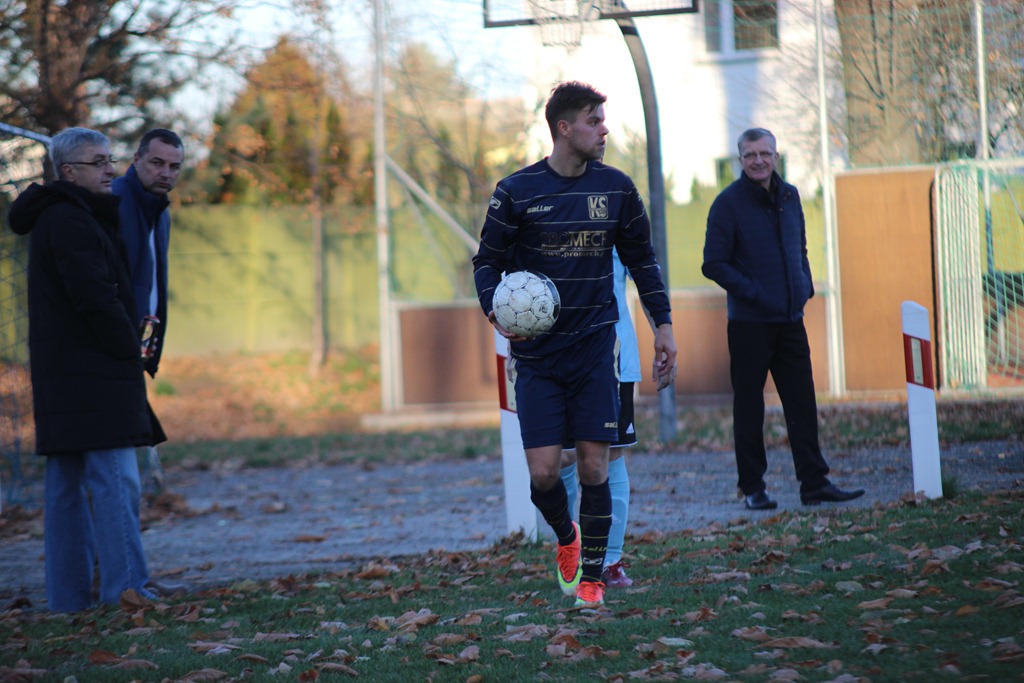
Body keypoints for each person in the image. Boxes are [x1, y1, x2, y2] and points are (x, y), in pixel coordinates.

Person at [473, 81, 677, 608]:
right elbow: (486, 262)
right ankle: (568, 538)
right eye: (594, 120)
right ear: (564, 128)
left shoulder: (617, 188)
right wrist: (495, 309)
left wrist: (663, 326)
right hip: (538, 358)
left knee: (594, 467)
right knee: (544, 473)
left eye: (602, 119)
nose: (604, 129)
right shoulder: (515, 191)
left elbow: (643, 260)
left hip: (595, 351)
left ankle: (591, 580)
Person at [7, 127, 167, 611]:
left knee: (66, 490)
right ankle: (127, 591)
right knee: (116, 480)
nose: (110, 170)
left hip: (65, 377)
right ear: (69, 171)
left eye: (110, 159)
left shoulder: (61, 215)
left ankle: (69, 601)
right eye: (98, 162)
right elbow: (95, 298)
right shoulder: (71, 220)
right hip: (94, 375)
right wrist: (128, 349)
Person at [701, 127, 865, 511]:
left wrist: (804, 283)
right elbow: (713, 263)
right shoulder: (727, 204)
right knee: (749, 407)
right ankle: (753, 488)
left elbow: (800, 247)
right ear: (740, 160)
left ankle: (814, 483)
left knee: (802, 403)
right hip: (749, 324)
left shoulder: (790, 196)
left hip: (791, 319)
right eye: (750, 155)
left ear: (776, 156)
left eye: (765, 153)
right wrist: (754, 293)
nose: (758, 161)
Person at [111, 128, 187, 596]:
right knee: (114, 477)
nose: (166, 173)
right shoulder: (117, 202)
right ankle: (123, 582)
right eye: (157, 163)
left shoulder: (159, 211)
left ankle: (123, 579)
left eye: (174, 166)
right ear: (136, 159)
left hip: (136, 348)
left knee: (118, 475)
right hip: (110, 352)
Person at [559, 248, 640, 588]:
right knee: (561, 458)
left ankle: (610, 560)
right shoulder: (544, 221)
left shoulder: (619, 220)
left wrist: (664, 332)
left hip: (615, 356)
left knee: (612, 454)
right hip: (556, 356)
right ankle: (569, 548)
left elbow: (648, 272)